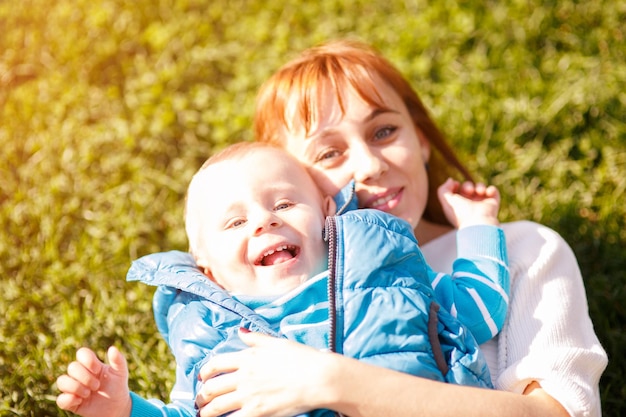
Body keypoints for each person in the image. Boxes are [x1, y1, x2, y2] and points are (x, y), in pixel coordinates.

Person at [193, 40, 608, 417]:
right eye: (330, 153)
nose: (371, 165)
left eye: (384, 131)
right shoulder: (259, 291)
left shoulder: (522, 250)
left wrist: (330, 382)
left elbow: (558, 414)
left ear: (421, 139)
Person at [56, 141, 509, 417]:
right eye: (234, 224)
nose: (263, 223)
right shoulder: (207, 332)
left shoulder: (386, 267)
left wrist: (477, 225)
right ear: (205, 266)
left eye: (285, 204)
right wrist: (126, 410)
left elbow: (479, 312)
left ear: (328, 212)